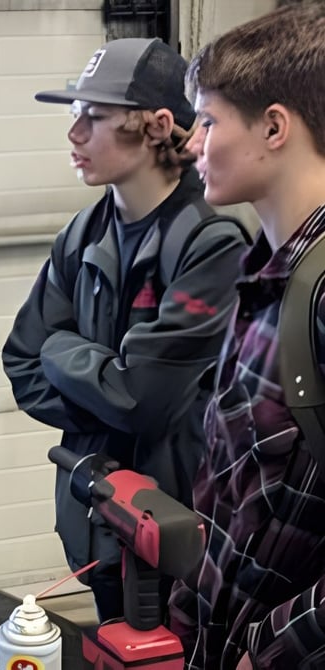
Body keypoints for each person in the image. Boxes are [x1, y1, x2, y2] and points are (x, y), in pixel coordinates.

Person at [1, 38, 249, 622]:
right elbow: (21, 364)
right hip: (93, 521)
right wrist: (107, 396)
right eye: (74, 115)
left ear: (158, 126)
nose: (74, 133)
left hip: (178, 533)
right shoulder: (82, 235)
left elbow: (140, 400)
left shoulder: (211, 243)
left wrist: (64, 348)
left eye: (94, 117)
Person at [167, 5, 325, 668]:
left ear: (274, 127)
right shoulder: (268, 276)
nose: (192, 145)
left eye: (208, 121)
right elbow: (232, 495)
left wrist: (272, 650)